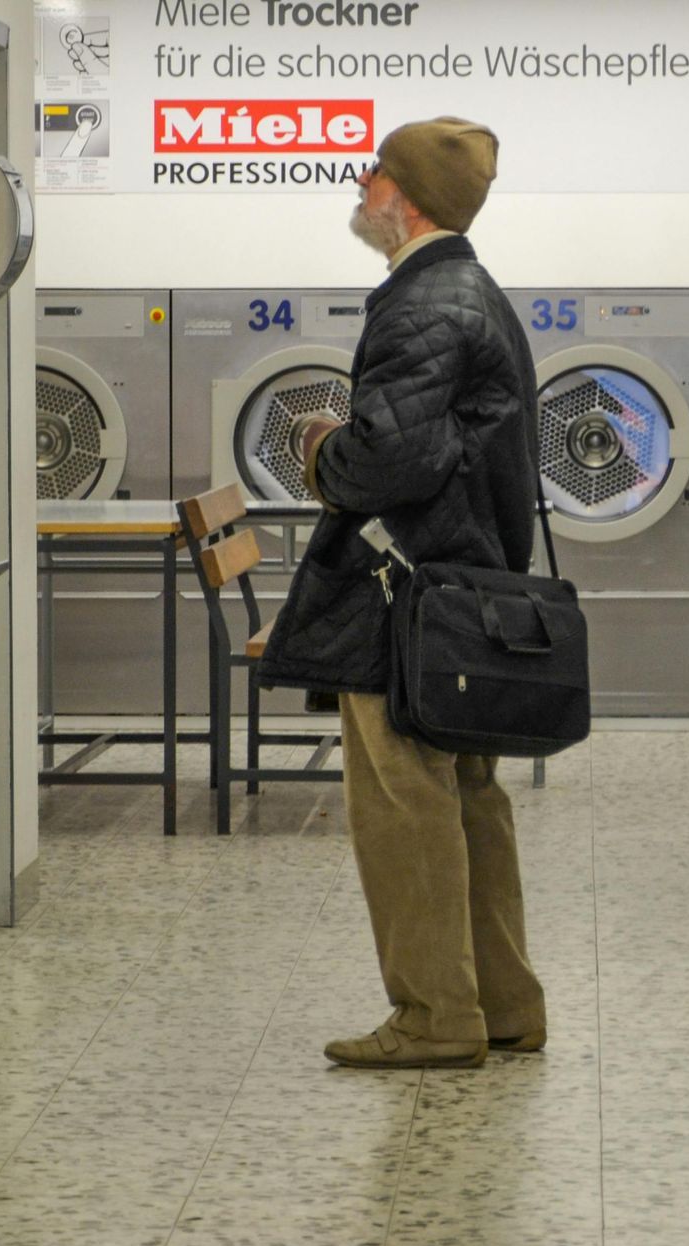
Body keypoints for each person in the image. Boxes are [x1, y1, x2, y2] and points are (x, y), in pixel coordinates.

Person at [256, 116, 546, 1069]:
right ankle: (501, 1005)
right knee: (467, 799)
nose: (360, 183)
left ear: (405, 198)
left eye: (372, 172)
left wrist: (318, 450)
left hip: (405, 595)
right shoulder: (477, 293)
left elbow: (388, 463)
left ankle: (433, 1016)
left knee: (403, 802)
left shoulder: (425, 302)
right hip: (464, 587)